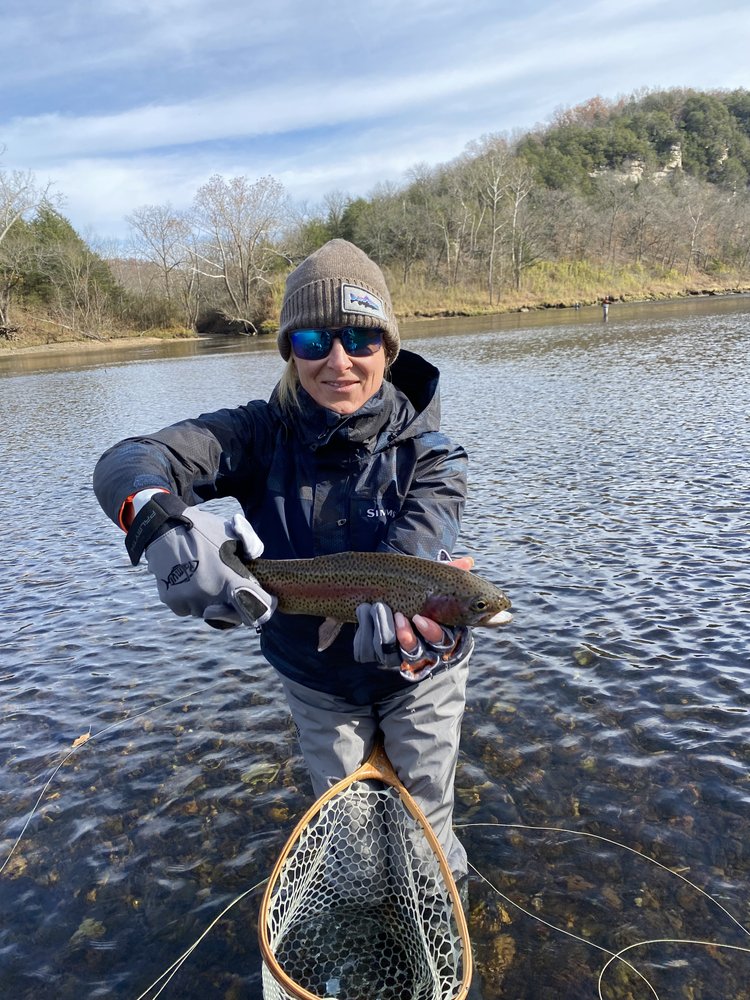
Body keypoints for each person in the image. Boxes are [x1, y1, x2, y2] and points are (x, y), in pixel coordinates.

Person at [93, 239, 474, 880]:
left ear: (389, 347)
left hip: (422, 675)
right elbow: (126, 460)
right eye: (312, 341)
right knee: (346, 830)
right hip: (314, 678)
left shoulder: (432, 453)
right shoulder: (255, 433)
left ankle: (437, 897)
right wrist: (158, 520)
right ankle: (363, 902)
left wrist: (407, 612)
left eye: (360, 339)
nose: (338, 361)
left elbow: (413, 552)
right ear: (288, 352)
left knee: (426, 827)